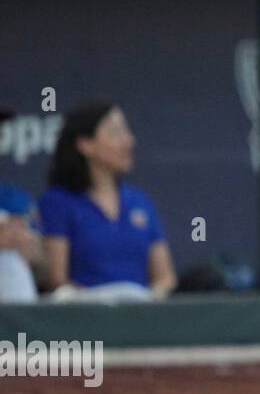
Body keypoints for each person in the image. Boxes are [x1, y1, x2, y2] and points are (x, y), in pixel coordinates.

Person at [38, 102, 178, 300]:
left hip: (142, 319)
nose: (128, 141)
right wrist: (101, 304)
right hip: (85, 319)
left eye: (126, 131)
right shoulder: (57, 202)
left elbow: (165, 276)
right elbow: (57, 279)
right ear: (85, 145)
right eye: (115, 133)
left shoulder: (139, 200)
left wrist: (148, 300)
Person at [0, 106, 42, 304]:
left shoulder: (15, 198)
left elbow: (42, 261)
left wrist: (29, 246)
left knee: (10, 261)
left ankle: (18, 334)